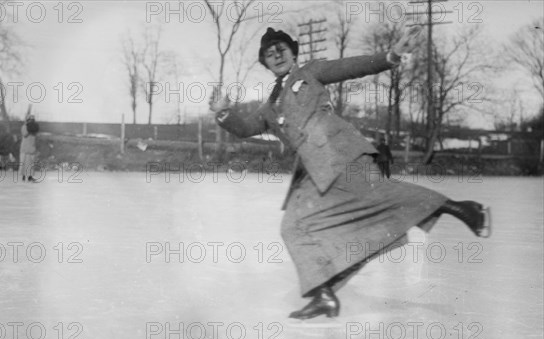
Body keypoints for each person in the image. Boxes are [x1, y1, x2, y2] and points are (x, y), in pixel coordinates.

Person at [209, 27, 491, 320]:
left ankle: (464, 209)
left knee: (384, 195)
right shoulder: (270, 106)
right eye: (269, 53)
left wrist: (390, 55)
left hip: (340, 152)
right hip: (312, 172)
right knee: (293, 227)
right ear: (265, 63)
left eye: (282, 49)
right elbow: (245, 128)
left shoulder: (311, 72)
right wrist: (223, 113)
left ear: (294, 53)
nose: (277, 55)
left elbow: (351, 67)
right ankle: (324, 295)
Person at [19, 115, 38, 182]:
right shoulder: (24, 127)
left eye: (33, 120)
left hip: (32, 148)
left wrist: (32, 128)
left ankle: (30, 177)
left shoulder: (34, 127)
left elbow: (35, 135)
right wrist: (29, 128)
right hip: (25, 149)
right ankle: (23, 176)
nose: (32, 121)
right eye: (30, 119)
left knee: (31, 164)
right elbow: (25, 134)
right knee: (24, 163)